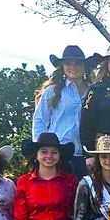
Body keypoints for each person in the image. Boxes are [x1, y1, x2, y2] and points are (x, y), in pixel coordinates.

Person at [34, 45, 95, 177]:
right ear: (62, 67)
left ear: (85, 66)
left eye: (78, 63)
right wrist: (40, 152)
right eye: (68, 63)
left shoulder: (94, 91)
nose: (73, 67)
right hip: (58, 154)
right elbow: (40, 121)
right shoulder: (53, 91)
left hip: (86, 155)